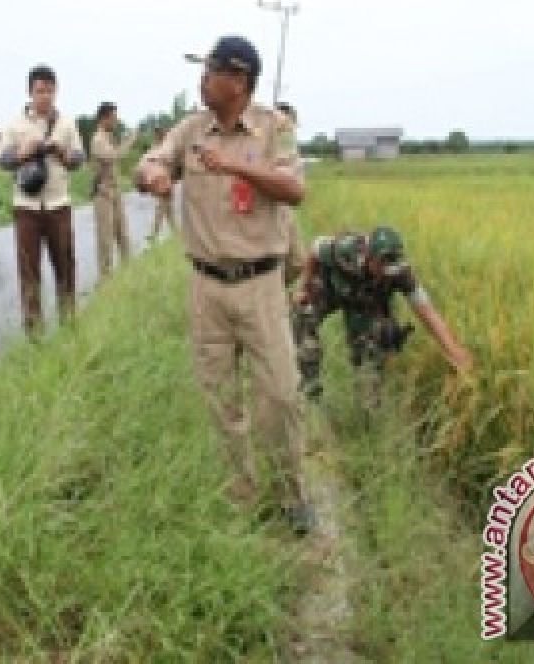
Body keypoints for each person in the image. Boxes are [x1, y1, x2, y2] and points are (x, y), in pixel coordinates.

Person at [136, 35, 315, 535]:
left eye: (211, 71)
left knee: (278, 396)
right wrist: (152, 173)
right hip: (206, 286)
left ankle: (290, 495)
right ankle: (241, 496)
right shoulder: (191, 129)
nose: (202, 79)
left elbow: (294, 190)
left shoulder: (273, 129)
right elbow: (153, 159)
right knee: (220, 399)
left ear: (238, 82)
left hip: (259, 284)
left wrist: (234, 162)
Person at [292, 227, 473, 406]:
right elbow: (315, 249)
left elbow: (429, 314)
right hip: (332, 288)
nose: (387, 273)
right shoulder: (345, 249)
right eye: (383, 265)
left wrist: (456, 354)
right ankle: (309, 386)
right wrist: (304, 287)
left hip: (364, 303)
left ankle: (367, 410)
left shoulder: (402, 274)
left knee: (371, 357)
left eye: (392, 267)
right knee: (303, 313)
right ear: (370, 257)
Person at [0, 65, 85, 333]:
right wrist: (23, 153)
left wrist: (60, 152)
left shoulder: (67, 124)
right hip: (26, 208)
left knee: (65, 268)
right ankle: (34, 334)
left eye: (49, 90)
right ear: (30, 92)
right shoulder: (15, 124)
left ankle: (69, 326)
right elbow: (2, 160)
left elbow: (78, 159)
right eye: (39, 90)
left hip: (58, 205)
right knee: (29, 272)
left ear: (56, 90)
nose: (44, 96)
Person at [89, 101, 135, 278]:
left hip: (115, 193)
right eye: (113, 118)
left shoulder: (108, 138)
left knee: (123, 236)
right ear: (104, 118)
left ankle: (128, 275)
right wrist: (129, 142)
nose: (116, 121)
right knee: (105, 241)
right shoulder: (98, 139)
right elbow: (113, 156)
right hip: (103, 194)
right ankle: (106, 280)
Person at [274, 102, 305, 285]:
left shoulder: (290, 146)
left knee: (297, 261)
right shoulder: (266, 144)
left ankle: (275, 290)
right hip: (273, 208)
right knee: (279, 258)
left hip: (288, 208)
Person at [146, 124, 177, 241]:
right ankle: (175, 233)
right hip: (159, 180)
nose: (157, 135)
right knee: (168, 211)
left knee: (161, 208)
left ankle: (155, 234)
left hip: (166, 180)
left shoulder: (167, 147)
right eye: (156, 133)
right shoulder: (157, 147)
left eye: (159, 133)